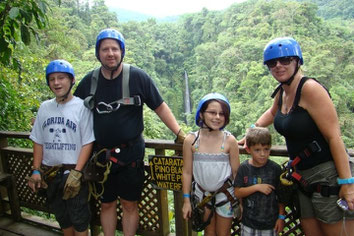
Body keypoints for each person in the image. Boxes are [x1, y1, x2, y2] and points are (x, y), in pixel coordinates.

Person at [74, 28, 185, 236]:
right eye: (105, 49)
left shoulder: (137, 77)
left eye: (114, 49)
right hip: (101, 156)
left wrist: (180, 133)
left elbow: (159, 106)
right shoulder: (90, 81)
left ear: (121, 51)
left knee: (129, 204)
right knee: (106, 204)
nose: (110, 53)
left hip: (131, 155)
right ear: (98, 53)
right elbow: (74, 111)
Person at [239, 37, 354, 236]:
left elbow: (335, 138)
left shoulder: (310, 89)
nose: (278, 66)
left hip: (326, 176)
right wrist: (253, 128)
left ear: (297, 61)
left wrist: (347, 184)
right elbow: (272, 112)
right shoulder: (282, 92)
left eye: (285, 60)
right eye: (272, 63)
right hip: (302, 177)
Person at [28, 59, 95, 236]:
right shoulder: (44, 108)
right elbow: (38, 141)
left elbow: (88, 142)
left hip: (73, 172)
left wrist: (77, 172)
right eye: (52, 79)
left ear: (71, 80)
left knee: (80, 221)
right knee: (63, 219)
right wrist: (36, 170)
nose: (56, 83)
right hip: (51, 174)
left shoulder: (82, 107)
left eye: (61, 78)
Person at [182, 93, 240, 236]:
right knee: (209, 232)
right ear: (201, 114)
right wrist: (186, 201)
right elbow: (187, 172)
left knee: (223, 233)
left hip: (226, 196)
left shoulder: (229, 141)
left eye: (222, 113)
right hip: (202, 195)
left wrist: (241, 202)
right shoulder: (191, 140)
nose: (217, 117)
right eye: (212, 112)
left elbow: (236, 173)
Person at [234, 127, 285, 235]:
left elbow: (282, 196)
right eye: (257, 150)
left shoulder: (275, 169)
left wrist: (281, 217)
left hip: (270, 224)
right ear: (248, 150)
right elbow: (237, 192)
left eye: (266, 149)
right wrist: (257, 187)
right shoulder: (244, 168)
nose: (262, 154)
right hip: (248, 222)